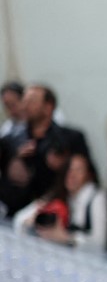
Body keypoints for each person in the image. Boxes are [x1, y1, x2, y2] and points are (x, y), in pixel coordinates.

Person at [0, 85, 90, 218]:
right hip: (17, 215)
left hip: (58, 215)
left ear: (48, 107)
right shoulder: (10, 141)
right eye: (24, 101)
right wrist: (16, 161)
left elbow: (88, 178)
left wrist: (64, 167)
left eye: (32, 101)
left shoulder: (71, 138)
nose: (25, 106)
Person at [13, 153, 107, 253]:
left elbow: (100, 244)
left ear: (89, 175)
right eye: (69, 169)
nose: (72, 175)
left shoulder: (95, 198)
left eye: (79, 170)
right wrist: (33, 221)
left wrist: (68, 239)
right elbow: (18, 220)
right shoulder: (57, 194)